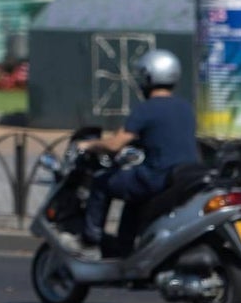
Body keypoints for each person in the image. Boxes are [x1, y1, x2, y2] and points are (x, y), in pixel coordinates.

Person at [72, 49, 198, 254]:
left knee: (102, 182)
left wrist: (89, 145)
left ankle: (90, 240)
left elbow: (115, 144)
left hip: (157, 176)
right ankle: (124, 247)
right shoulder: (185, 107)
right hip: (183, 177)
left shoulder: (146, 109)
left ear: (149, 77)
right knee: (133, 195)